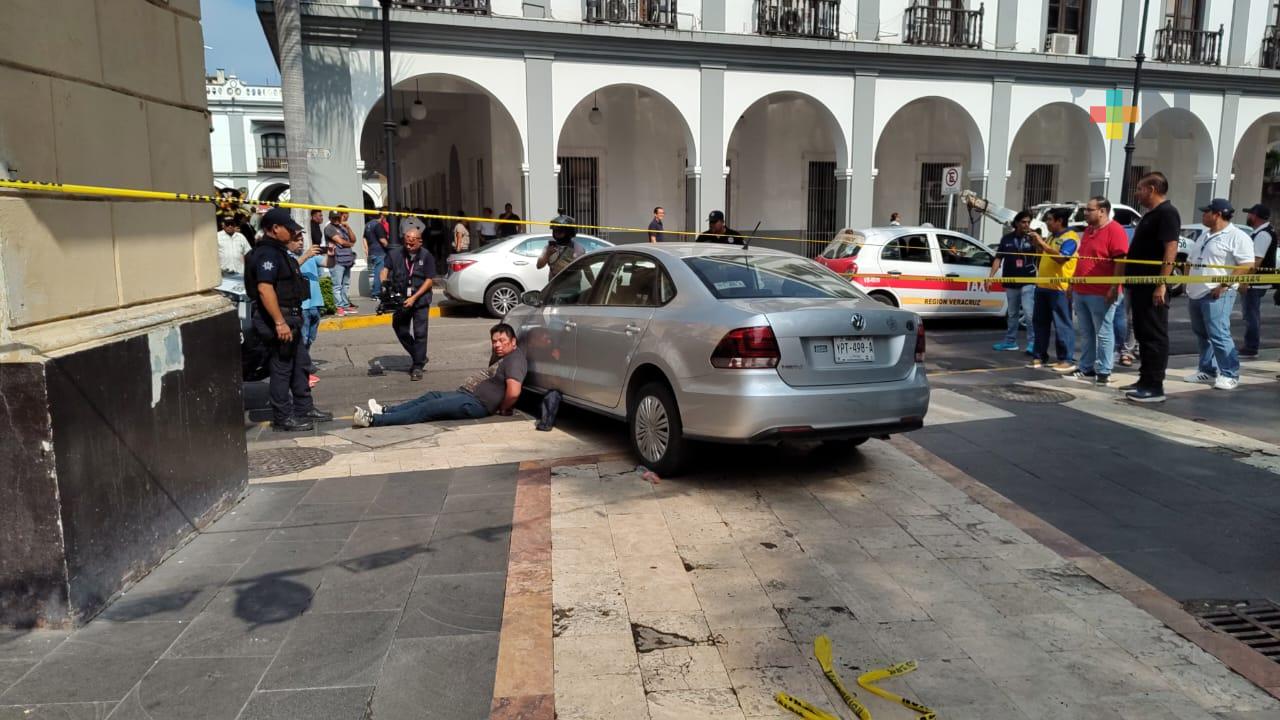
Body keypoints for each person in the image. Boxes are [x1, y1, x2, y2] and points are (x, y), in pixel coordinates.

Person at [245, 208, 333, 432]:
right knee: (282, 368)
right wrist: (279, 322)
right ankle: (283, 416)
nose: (294, 233)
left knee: (300, 365)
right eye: (289, 229)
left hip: (291, 317)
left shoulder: (279, 252)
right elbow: (265, 289)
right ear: (274, 229)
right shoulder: (267, 253)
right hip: (280, 319)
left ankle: (304, 408)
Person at [353, 323, 527, 427]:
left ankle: (373, 420)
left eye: (502, 341)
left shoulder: (515, 359)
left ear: (513, 342)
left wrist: (503, 408)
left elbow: (514, 391)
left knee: (429, 408)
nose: (497, 345)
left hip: (476, 403)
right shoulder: (506, 356)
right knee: (431, 395)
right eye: (494, 341)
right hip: (467, 394)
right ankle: (386, 411)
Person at [1182, 199, 1255, 391]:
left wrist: (1224, 285)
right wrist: (1185, 282)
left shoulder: (1237, 237)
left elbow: (1246, 265)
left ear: (1217, 214)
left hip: (1217, 293)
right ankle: (1207, 369)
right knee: (1202, 334)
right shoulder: (1204, 235)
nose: (1203, 215)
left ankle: (1230, 373)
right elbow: (1190, 260)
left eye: (1206, 212)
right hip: (1196, 292)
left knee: (1219, 333)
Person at [1124, 172, 1182, 403]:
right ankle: (1144, 379)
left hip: (1151, 287)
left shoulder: (1168, 213)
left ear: (1151, 189)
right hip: (1139, 286)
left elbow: (1171, 249)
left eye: (1139, 189)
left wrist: (1161, 284)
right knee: (1142, 333)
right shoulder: (1151, 215)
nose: (1137, 193)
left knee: (1154, 335)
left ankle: (1154, 386)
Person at [1070, 197, 1129, 385]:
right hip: (1082, 290)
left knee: (1103, 332)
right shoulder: (1088, 231)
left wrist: (1114, 286)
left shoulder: (1115, 230)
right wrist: (1072, 284)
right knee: (1086, 332)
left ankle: (1104, 370)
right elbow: (1082, 259)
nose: (1086, 213)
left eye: (1090, 210)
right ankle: (1086, 367)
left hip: (1101, 292)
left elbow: (1121, 261)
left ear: (1102, 211)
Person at [381, 226, 436, 381]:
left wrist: (414, 298)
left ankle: (417, 366)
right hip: (402, 299)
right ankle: (419, 355)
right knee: (399, 327)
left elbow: (429, 280)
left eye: (412, 244)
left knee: (420, 333)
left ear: (420, 241)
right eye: (406, 243)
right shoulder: (395, 254)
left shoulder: (426, 256)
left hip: (420, 300)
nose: (409, 246)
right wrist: (384, 283)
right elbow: (384, 270)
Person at [1027, 207, 1078, 372]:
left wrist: (1042, 243)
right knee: (1040, 323)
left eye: (1050, 219)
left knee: (1062, 324)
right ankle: (1039, 355)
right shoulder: (1050, 237)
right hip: (1042, 286)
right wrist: (1038, 245)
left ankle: (1066, 358)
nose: (1047, 223)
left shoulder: (1070, 239)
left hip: (1059, 288)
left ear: (1059, 221)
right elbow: (1045, 255)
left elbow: (1061, 258)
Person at [988, 211, 1038, 353]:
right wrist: (990, 277)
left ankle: (1033, 343)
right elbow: (998, 259)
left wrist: (1037, 240)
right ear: (1016, 223)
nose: (1026, 225)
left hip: (1028, 279)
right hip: (1011, 280)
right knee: (1012, 313)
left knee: (1029, 313)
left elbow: (1042, 254)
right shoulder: (1006, 239)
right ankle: (1010, 341)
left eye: (1028, 222)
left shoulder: (1033, 238)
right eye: (1023, 222)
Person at [293, 232, 329, 388]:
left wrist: (333, 254)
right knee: (302, 341)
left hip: (315, 304)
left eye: (302, 240)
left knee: (309, 340)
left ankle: (304, 372)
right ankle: (301, 375)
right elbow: (291, 269)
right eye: (297, 240)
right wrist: (306, 255)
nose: (301, 243)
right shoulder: (289, 257)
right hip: (303, 306)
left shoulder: (311, 257)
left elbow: (329, 263)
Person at [1240, 204, 1274, 358]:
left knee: (1251, 314)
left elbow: (1256, 261)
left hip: (1256, 281)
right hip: (1257, 280)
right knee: (1251, 313)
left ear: (1256, 216)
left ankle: (1251, 347)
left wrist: (1245, 281)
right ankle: (1250, 345)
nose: (1248, 217)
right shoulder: (1262, 232)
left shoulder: (1263, 235)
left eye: (1250, 214)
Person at [324, 207, 359, 315]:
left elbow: (354, 239)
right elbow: (341, 242)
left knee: (346, 284)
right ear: (330, 218)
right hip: (336, 260)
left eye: (337, 218)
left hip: (347, 259)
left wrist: (348, 227)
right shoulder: (329, 228)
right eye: (333, 218)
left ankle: (345, 305)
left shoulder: (342, 227)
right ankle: (338, 307)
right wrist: (350, 244)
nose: (336, 220)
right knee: (337, 285)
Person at [537, 214, 587, 279]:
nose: (556, 233)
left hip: (573, 288)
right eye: (555, 231)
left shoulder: (578, 248)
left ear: (569, 232)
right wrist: (547, 254)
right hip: (554, 288)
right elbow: (539, 266)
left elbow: (587, 270)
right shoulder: (549, 248)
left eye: (560, 231)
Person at [364, 208, 390, 299]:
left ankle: (373, 292)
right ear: (381, 215)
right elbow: (382, 240)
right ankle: (376, 293)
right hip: (379, 252)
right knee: (379, 273)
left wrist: (366, 249)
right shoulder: (378, 225)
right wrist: (389, 247)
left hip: (371, 252)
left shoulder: (367, 225)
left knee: (372, 274)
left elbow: (364, 238)